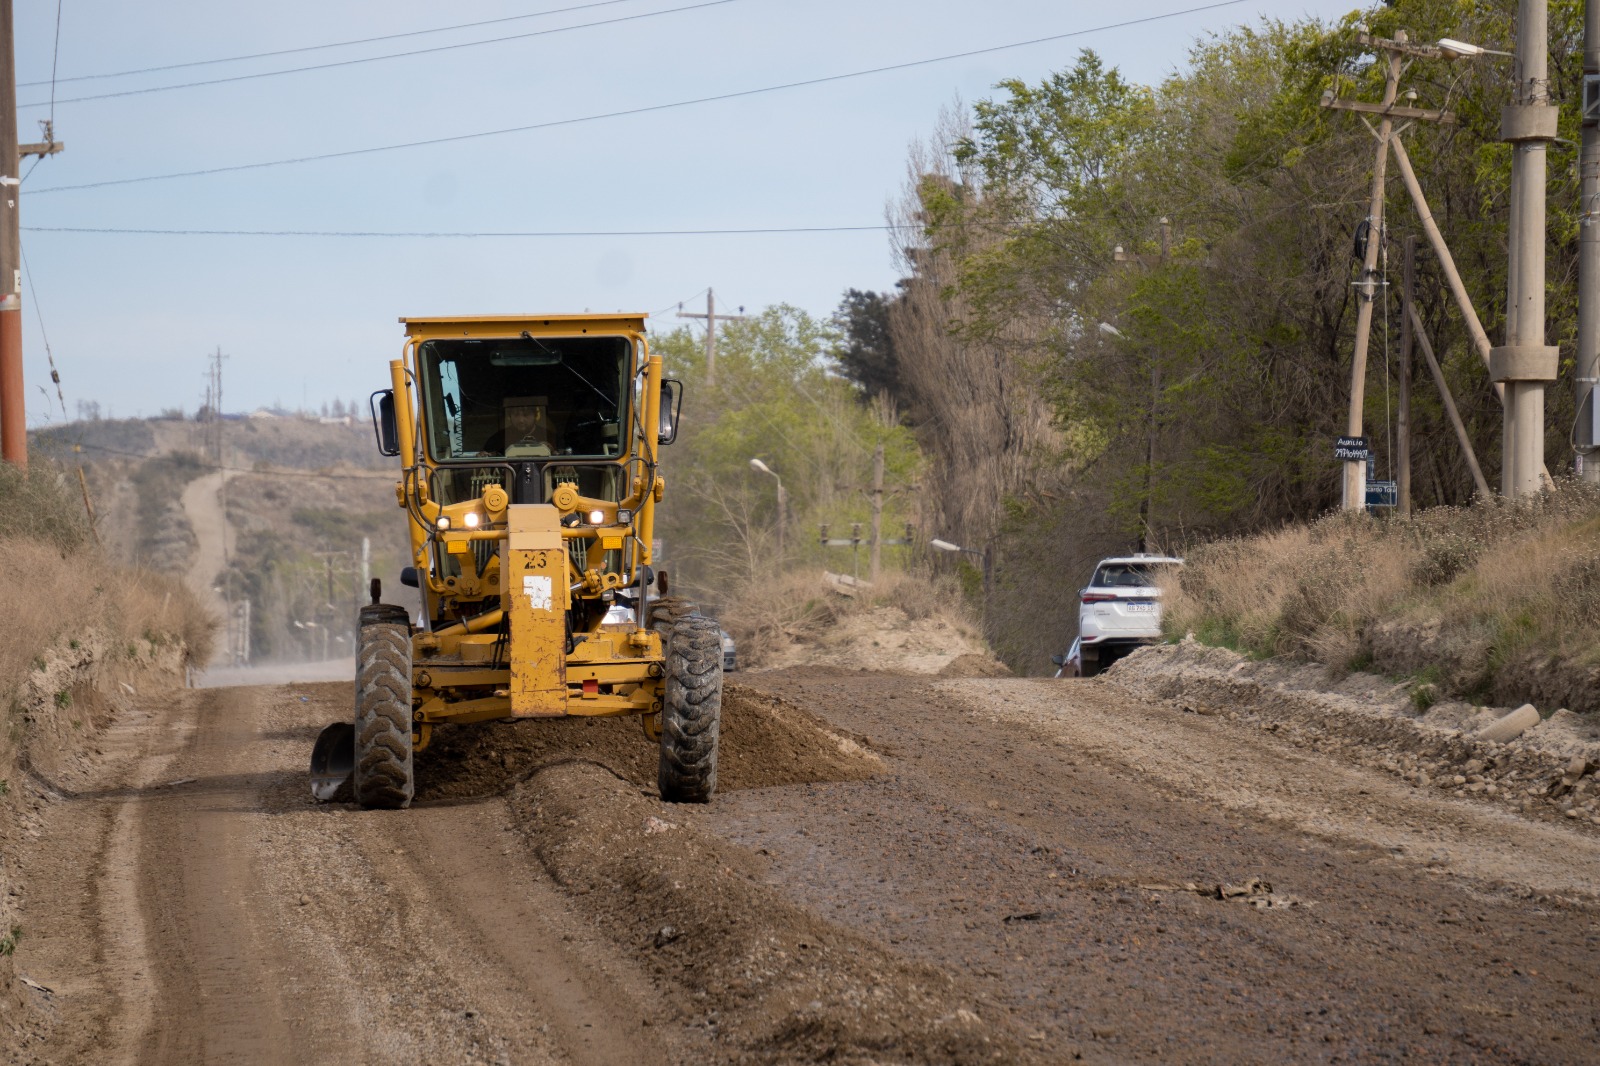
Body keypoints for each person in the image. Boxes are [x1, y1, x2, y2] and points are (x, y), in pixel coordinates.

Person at [481, 397, 552, 457]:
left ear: (536, 415)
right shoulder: (497, 439)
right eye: (516, 415)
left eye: (526, 415)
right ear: (509, 416)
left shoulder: (549, 436)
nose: (521, 420)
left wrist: (552, 451)